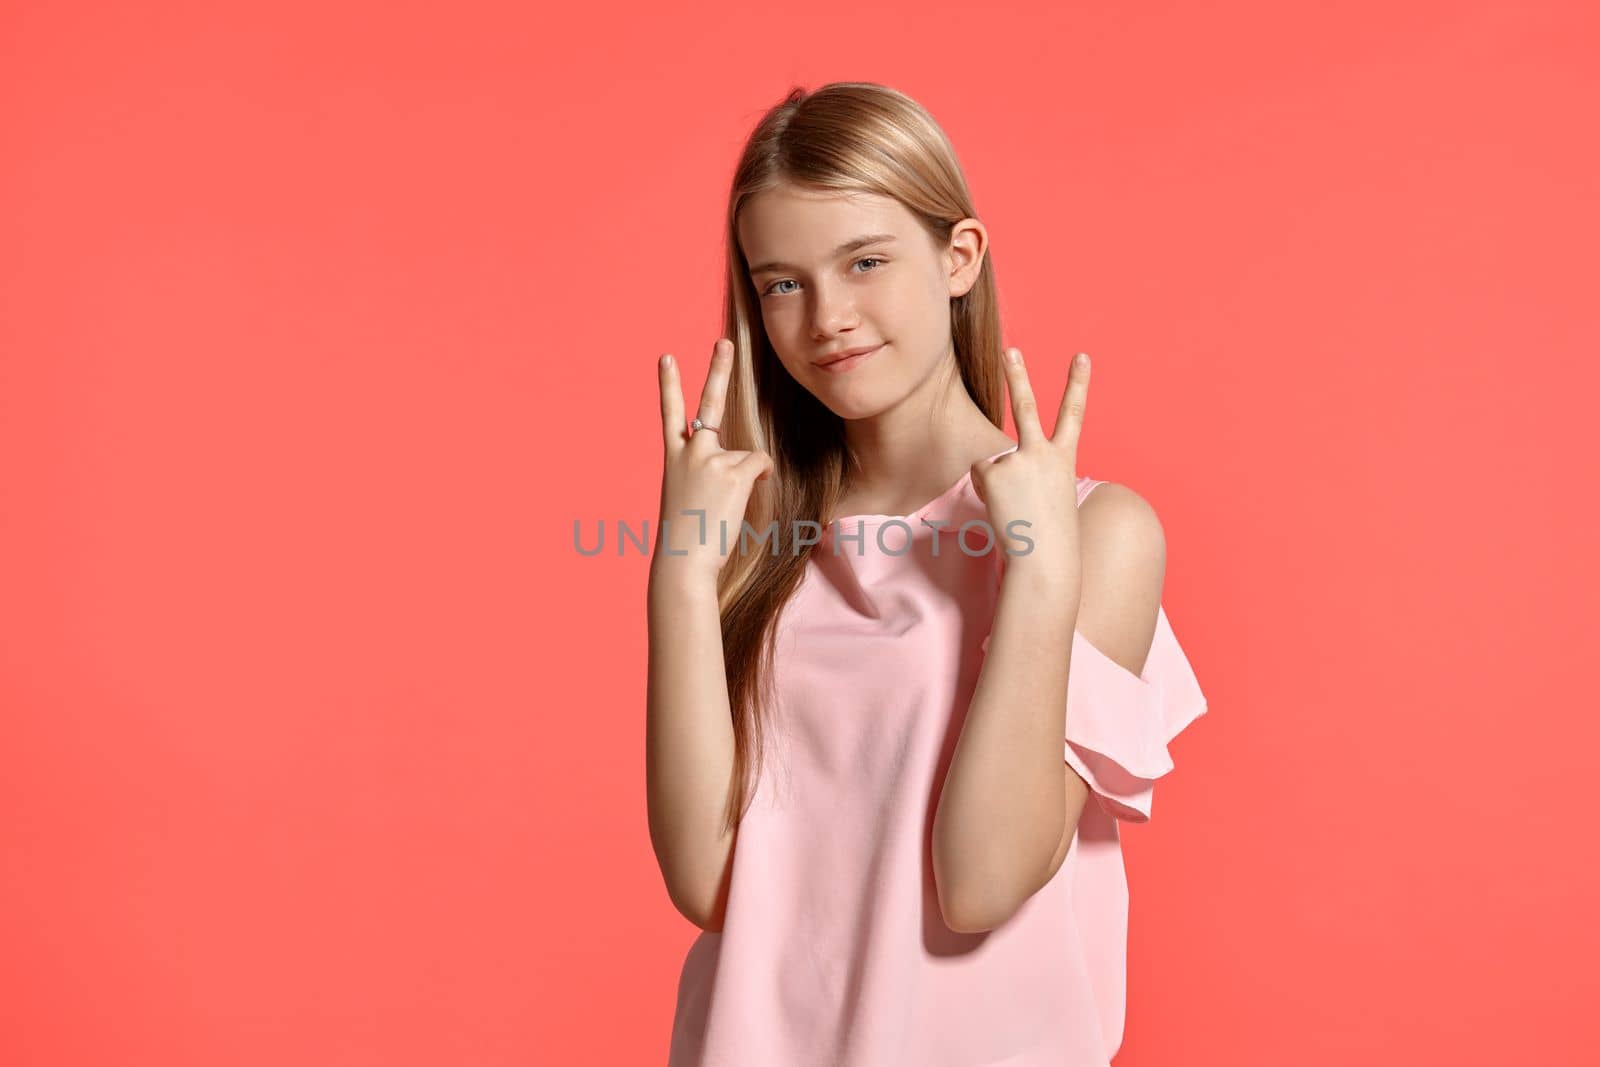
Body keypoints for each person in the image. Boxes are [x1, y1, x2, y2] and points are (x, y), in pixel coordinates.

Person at [646, 81, 1208, 1066]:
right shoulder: (753, 534)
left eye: (865, 262)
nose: (827, 316)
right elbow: (708, 884)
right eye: (782, 282)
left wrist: (1037, 575)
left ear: (958, 258)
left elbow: (982, 879)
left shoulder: (1098, 532)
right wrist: (682, 578)